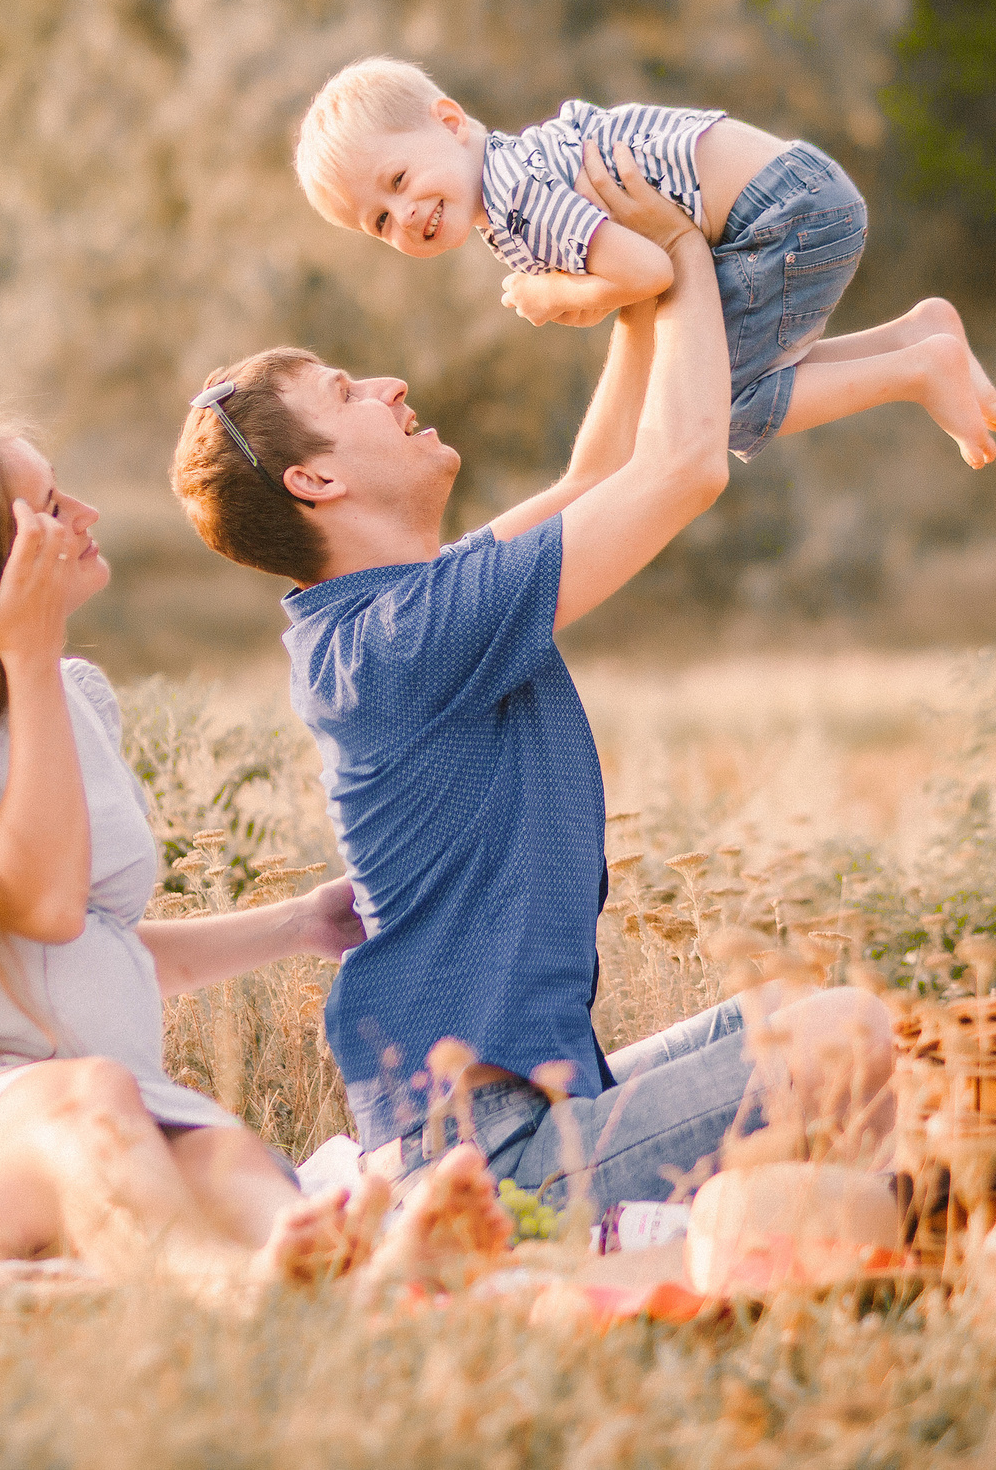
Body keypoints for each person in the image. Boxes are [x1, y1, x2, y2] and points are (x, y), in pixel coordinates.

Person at [171, 141, 894, 1216]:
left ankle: (829, 1226)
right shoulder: (398, 641)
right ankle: (854, 1244)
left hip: (541, 1108)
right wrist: (683, 250)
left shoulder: (401, 611)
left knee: (791, 1008)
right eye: (346, 391)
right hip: (484, 1161)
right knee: (849, 1037)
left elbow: (598, 474)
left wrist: (639, 287)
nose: (389, 385)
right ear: (313, 478)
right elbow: (682, 467)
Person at [0, 412, 509, 1294]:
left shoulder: (67, 699)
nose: (86, 513)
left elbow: (91, 947)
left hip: (77, 1109)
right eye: (50, 507)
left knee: (219, 1156)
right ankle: (235, 1292)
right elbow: (45, 906)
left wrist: (300, 924)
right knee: (93, 1099)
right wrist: (29, 656)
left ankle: (360, 1272)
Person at [292, 56, 996, 469]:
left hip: (782, 212)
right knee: (728, 374)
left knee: (715, 403)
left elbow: (651, 272)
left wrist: (562, 295)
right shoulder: (513, 176)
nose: (403, 215)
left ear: (450, 123)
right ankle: (917, 336)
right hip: (794, 193)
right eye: (378, 221)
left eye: (398, 180)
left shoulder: (515, 193)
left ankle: (919, 369)